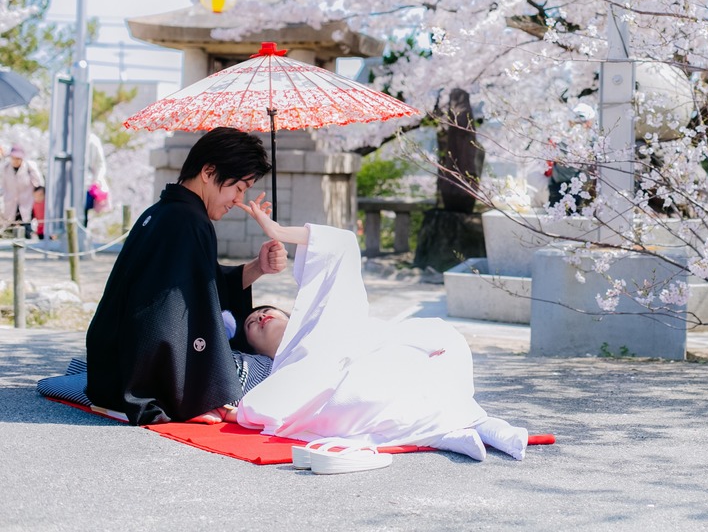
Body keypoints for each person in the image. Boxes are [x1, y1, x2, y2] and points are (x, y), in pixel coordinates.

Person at [213, 198, 529, 467]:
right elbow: (257, 404)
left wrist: (277, 231)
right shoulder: (280, 374)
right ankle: (448, 433)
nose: (261, 316)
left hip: (388, 355)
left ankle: (477, 425)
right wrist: (231, 412)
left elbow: (343, 246)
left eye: (266, 310)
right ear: (256, 351)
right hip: (351, 389)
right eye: (251, 323)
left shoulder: (320, 318)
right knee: (355, 398)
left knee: (438, 346)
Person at [85, 127, 287, 425]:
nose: (238, 199)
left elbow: (204, 286)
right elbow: (166, 315)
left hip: (110, 369)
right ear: (208, 172)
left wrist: (259, 266)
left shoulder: (164, 211)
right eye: (238, 187)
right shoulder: (189, 221)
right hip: (131, 383)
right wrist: (190, 399)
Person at [546, 102, 595, 209]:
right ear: (589, 123)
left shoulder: (560, 138)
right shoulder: (589, 142)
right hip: (574, 186)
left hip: (560, 185)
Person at [2, 144, 45, 239]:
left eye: (18, 158)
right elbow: (2, 187)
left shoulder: (30, 167)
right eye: (13, 158)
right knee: (10, 233)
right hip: (10, 205)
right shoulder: (5, 168)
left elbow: (39, 185)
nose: (15, 161)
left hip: (27, 204)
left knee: (27, 230)